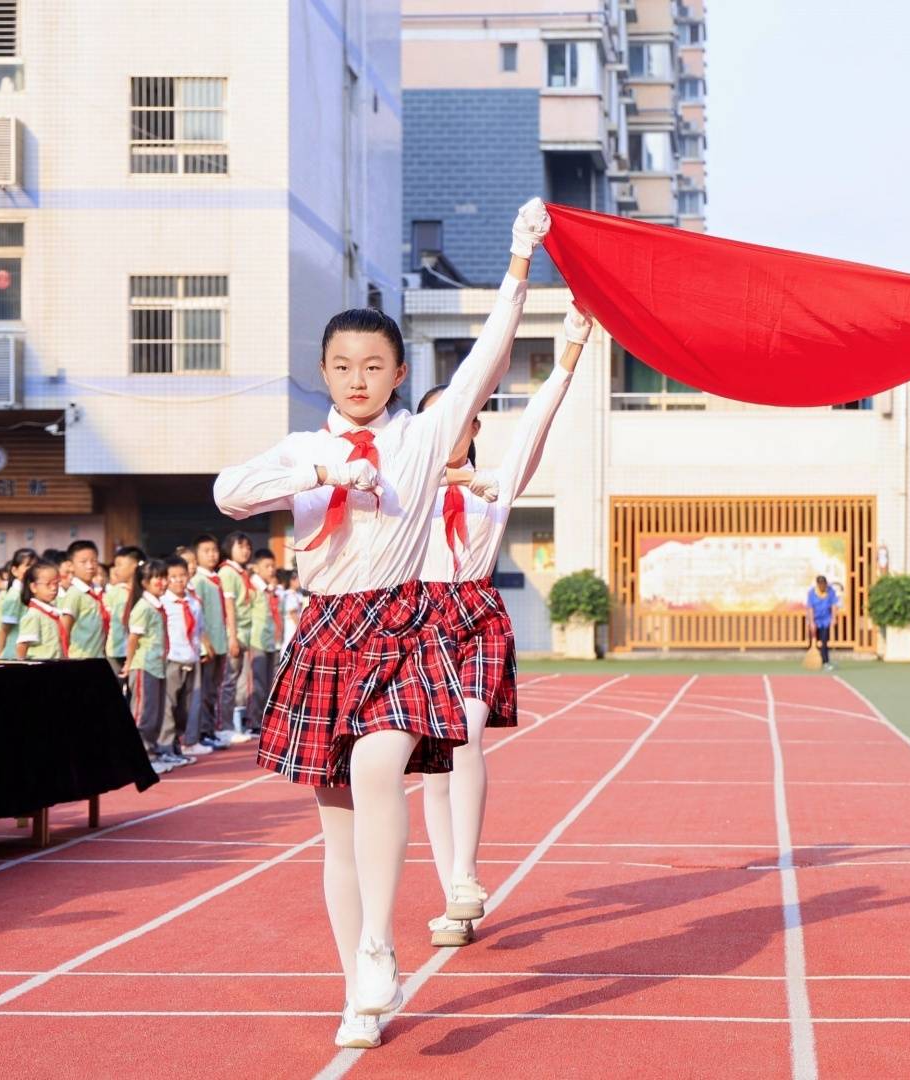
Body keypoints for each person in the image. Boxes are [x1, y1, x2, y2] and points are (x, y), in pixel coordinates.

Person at [214, 197, 547, 1049]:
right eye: (341, 365)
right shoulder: (300, 448)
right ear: (323, 372)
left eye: (374, 365)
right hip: (323, 630)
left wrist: (517, 263)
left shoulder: (425, 439)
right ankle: (357, 983)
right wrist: (321, 464)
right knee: (336, 825)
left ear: (399, 373)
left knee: (379, 770)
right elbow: (228, 494)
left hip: (401, 624)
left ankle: (377, 943)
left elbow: (485, 359)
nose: (358, 378)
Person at [417, 306, 589, 949]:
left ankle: (464, 874)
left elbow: (539, 420)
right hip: (416, 618)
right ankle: (454, 899)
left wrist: (570, 347)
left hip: (475, 615)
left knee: (463, 734)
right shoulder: (402, 486)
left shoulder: (497, 482)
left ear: (475, 423)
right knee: (434, 765)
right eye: (438, 418)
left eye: (460, 416)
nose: (449, 427)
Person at [122, 559, 186, 770]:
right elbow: (134, 638)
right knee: (144, 713)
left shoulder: (157, 606)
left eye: (163, 577)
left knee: (156, 713)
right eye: (156, 578)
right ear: (144, 582)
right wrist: (129, 664)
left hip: (158, 666)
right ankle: (140, 756)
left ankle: (152, 752)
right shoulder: (143, 607)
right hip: (144, 666)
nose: (162, 582)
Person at [190, 534, 248, 747]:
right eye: (206, 551)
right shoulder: (198, 581)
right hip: (208, 645)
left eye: (214, 550)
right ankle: (203, 732)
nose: (212, 554)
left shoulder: (216, 580)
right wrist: (205, 643)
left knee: (214, 689)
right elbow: (198, 617)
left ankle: (212, 729)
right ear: (196, 555)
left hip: (220, 643)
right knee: (204, 691)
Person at [163, 557, 211, 759]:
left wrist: (204, 648)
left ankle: (187, 742)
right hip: (172, 657)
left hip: (192, 656)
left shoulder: (193, 602)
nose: (178, 580)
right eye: (173, 577)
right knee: (169, 705)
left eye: (182, 576)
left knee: (191, 704)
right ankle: (166, 746)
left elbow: (199, 628)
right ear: (165, 579)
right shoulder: (164, 603)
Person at [220, 531, 259, 729]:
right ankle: (225, 726)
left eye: (248, 547)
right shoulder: (227, 572)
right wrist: (233, 638)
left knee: (240, 683)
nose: (246, 551)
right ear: (229, 548)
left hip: (246, 633)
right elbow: (229, 607)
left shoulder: (242, 573)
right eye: (240, 546)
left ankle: (236, 724)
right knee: (229, 682)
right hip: (233, 633)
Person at [244, 547, 283, 736]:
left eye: (273, 566)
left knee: (269, 683)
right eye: (267, 566)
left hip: (271, 642)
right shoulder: (252, 588)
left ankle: (265, 720)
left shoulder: (271, 590)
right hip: (256, 641)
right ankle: (253, 720)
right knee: (257, 684)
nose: (271, 570)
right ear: (256, 568)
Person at [61, 540, 111, 661]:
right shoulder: (74, 593)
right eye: (83, 562)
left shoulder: (96, 592)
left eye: (94, 561)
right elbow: (64, 629)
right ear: (70, 565)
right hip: (80, 658)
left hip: (98, 656)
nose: (90, 566)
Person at [15, 560, 68, 660]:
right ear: (34, 587)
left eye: (56, 583)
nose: (53, 588)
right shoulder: (33, 615)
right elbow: (22, 646)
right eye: (48, 584)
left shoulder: (53, 611)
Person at [106, 545, 144, 678]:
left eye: (120, 565)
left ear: (134, 566)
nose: (115, 570)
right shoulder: (113, 592)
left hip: (139, 651)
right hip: (116, 649)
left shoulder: (145, 593)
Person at [0, 548, 37, 658]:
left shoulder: (31, 592)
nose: (31, 569)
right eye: (27, 565)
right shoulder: (14, 595)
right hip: (14, 655)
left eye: (34, 566)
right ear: (14, 570)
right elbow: (4, 630)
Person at [805, 574, 837, 671]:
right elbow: (810, 608)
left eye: (824, 584)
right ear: (817, 584)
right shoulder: (812, 593)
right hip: (815, 618)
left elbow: (834, 605)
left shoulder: (830, 592)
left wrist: (834, 618)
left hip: (825, 619)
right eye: (820, 584)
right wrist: (811, 622)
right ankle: (815, 658)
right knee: (813, 640)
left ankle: (825, 661)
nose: (822, 586)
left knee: (824, 640)